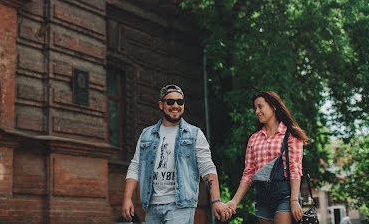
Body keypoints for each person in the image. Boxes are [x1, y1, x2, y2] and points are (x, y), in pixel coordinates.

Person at [122, 84, 233, 223]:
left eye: (179, 102)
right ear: (161, 105)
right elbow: (135, 166)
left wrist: (216, 200)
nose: (175, 105)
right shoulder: (147, 134)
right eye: (170, 102)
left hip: (181, 206)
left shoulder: (194, 134)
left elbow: (207, 169)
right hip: (151, 206)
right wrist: (127, 199)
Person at [226, 91, 309, 224]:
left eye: (260, 106)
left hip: (285, 196)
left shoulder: (290, 136)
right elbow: (249, 173)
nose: (257, 111)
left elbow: (295, 170)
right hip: (262, 197)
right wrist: (234, 202)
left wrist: (294, 201)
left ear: (273, 107)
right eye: (255, 108)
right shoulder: (254, 139)